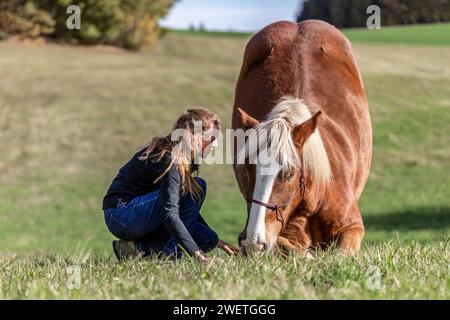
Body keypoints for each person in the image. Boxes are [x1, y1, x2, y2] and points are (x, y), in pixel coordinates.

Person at [102, 108, 238, 263]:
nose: (216, 145)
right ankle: (172, 256)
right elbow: (170, 212)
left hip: (139, 216)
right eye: (212, 138)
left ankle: (135, 250)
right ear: (196, 135)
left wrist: (217, 241)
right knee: (196, 187)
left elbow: (186, 210)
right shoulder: (172, 159)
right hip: (121, 214)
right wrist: (200, 256)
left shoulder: (182, 157)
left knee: (208, 239)